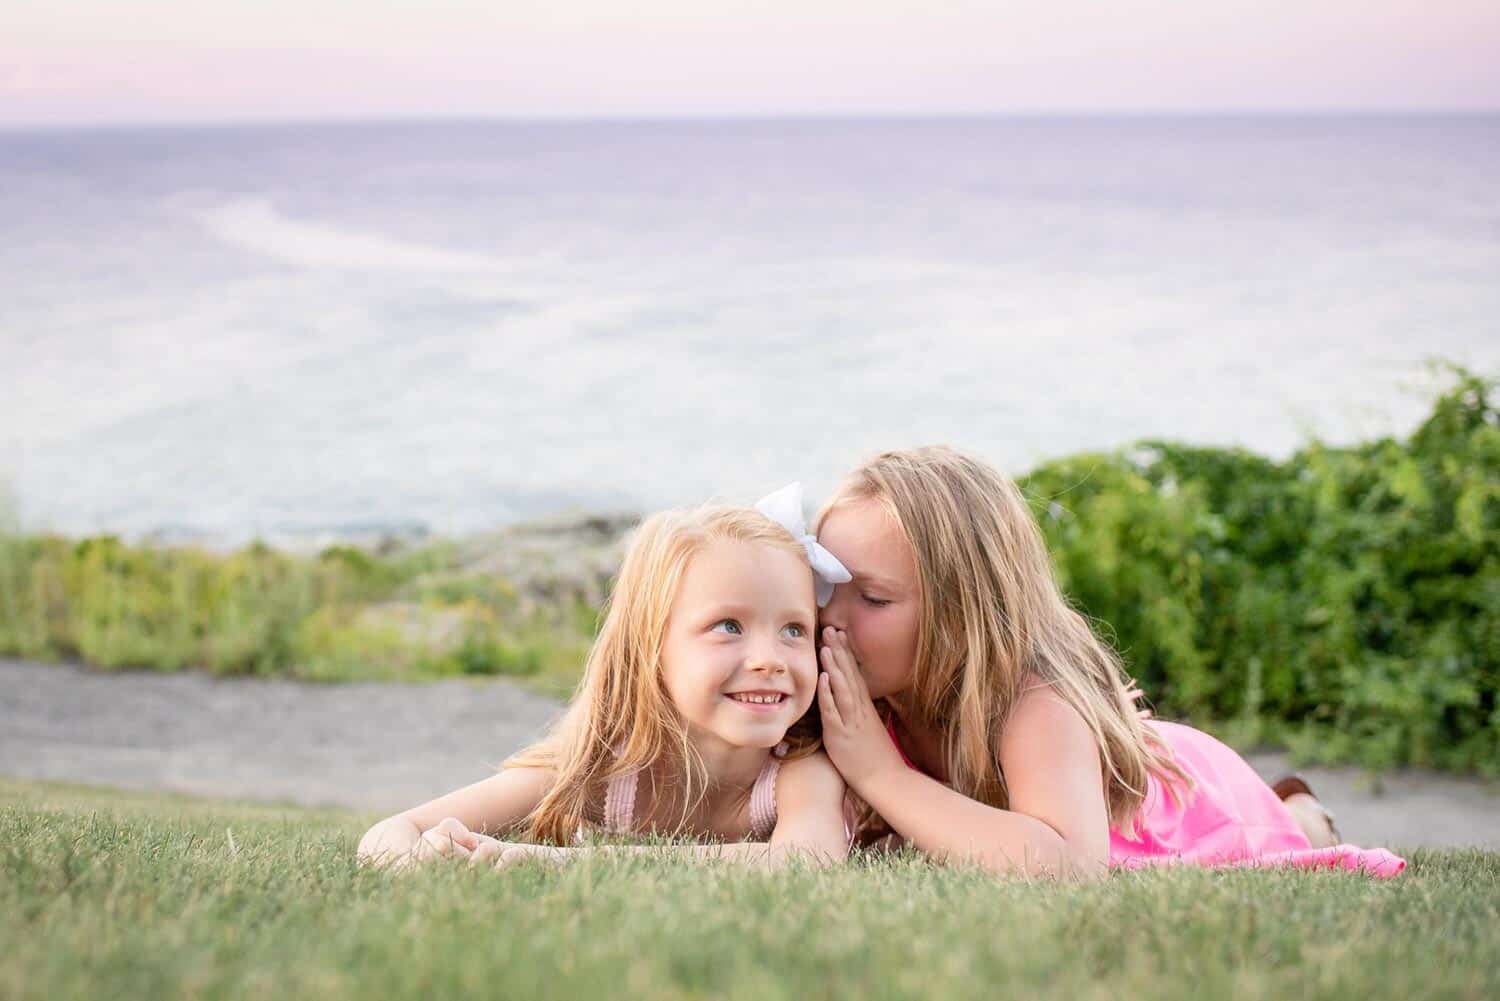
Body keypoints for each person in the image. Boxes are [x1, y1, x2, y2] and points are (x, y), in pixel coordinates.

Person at [811, 446, 1404, 879]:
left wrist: (881, 775)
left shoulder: (1034, 700)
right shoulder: (856, 688)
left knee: (1287, 837)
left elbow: (1070, 865)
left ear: (966, 611)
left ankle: (1301, 813)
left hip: (1190, 802)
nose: (832, 618)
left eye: (873, 598)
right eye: (824, 585)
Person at [357, 487, 853, 870]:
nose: (770, 659)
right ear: (650, 648)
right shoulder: (599, 769)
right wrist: (416, 861)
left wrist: (563, 862)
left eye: (793, 629)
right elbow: (392, 831)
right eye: (729, 626)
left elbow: (806, 860)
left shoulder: (798, 769)